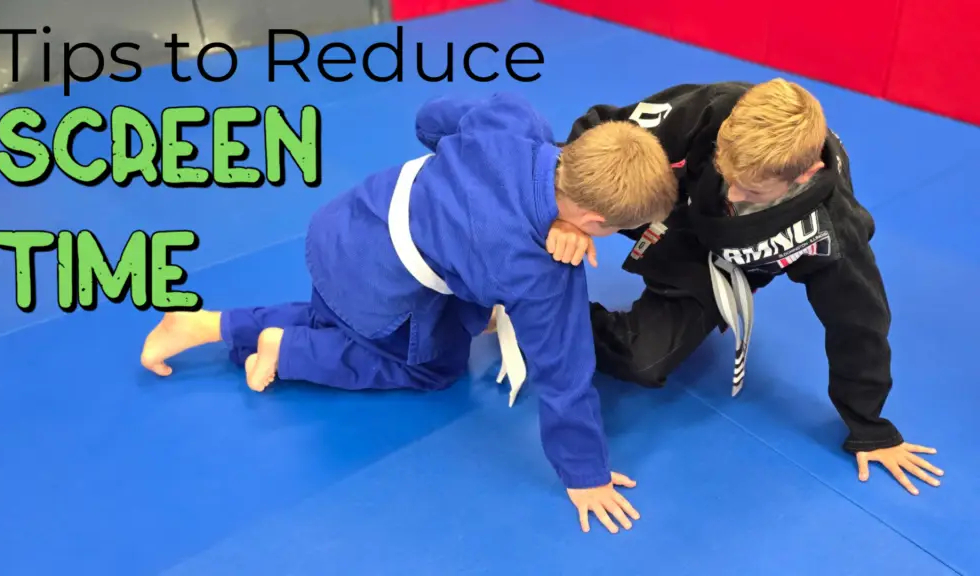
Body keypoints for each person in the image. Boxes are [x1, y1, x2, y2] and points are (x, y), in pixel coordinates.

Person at [139, 92, 679, 533]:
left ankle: (207, 324)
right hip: (377, 288)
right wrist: (585, 474)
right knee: (433, 368)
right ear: (591, 219)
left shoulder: (514, 120)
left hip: (346, 225)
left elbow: (431, 120)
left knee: (360, 311)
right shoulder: (538, 269)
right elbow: (564, 373)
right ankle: (290, 352)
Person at [548, 79, 944, 496]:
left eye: (751, 190)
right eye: (726, 169)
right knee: (569, 215)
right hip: (675, 206)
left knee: (641, 362)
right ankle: (528, 288)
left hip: (727, 257)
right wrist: (563, 211)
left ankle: (549, 318)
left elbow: (859, 323)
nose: (733, 193)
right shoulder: (708, 113)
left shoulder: (829, 229)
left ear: (803, 176)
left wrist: (870, 427)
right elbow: (601, 132)